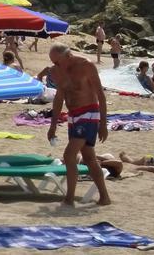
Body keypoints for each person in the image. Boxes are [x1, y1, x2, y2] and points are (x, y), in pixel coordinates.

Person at [46, 44, 110, 206]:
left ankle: (69, 199)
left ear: (67, 56)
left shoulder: (86, 66)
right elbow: (59, 99)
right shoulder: (58, 71)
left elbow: (101, 96)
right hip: (73, 117)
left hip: (89, 113)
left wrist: (103, 123)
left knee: (69, 155)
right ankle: (104, 197)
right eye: (53, 62)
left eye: (57, 62)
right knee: (89, 158)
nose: (55, 66)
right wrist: (53, 125)